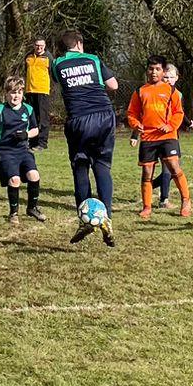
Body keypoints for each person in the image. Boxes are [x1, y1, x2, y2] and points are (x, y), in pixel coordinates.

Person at [53, 28, 120, 246]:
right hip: (103, 116)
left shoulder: (57, 64)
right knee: (102, 166)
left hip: (79, 119)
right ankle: (106, 217)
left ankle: (85, 221)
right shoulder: (93, 59)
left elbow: (58, 82)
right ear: (80, 44)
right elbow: (113, 85)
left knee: (80, 167)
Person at [126, 57, 192, 219]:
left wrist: (170, 126)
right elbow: (132, 113)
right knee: (147, 172)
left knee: (173, 166)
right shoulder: (140, 91)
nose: (153, 72)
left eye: (157, 69)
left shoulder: (171, 91)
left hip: (167, 136)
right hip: (148, 138)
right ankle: (147, 207)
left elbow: (179, 112)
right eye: (151, 69)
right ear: (147, 70)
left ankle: (186, 200)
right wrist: (135, 124)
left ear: (163, 71)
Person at [0, 75, 46, 224]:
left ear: (22, 94)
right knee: (15, 180)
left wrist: (26, 134)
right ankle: (13, 213)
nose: (16, 96)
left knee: (34, 175)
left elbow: (35, 130)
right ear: (6, 94)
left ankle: (32, 208)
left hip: (23, 151)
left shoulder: (28, 109)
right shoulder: (1, 109)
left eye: (19, 92)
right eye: (12, 92)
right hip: (6, 152)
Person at [153, 61, 190, 207]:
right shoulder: (156, 92)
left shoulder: (178, 94)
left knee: (173, 167)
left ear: (177, 78)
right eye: (166, 77)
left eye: (171, 77)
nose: (168, 80)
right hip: (159, 135)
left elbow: (179, 112)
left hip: (173, 134)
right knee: (168, 168)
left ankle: (149, 185)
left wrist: (187, 122)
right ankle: (164, 200)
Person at [24, 37, 53, 149]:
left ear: (44, 46)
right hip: (30, 91)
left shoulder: (48, 57)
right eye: (37, 45)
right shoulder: (28, 57)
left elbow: (53, 74)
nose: (39, 47)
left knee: (43, 118)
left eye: (41, 45)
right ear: (34, 45)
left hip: (43, 91)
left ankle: (42, 143)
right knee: (32, 118)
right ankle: (32, 142)